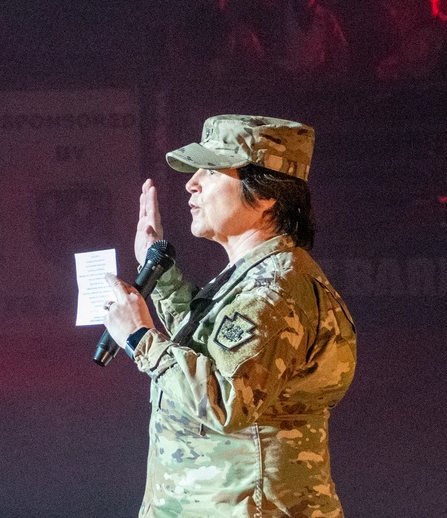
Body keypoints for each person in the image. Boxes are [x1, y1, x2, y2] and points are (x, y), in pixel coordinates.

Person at [102, 115, 358, 517]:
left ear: (266, 193)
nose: (192, 183)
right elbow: (210, 350)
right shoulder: (256, 275)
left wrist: (141, 338)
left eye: (211, 169)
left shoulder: (275, 291)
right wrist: (163, 278)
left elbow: (225, 400)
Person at [379, 0, 447, 80]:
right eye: (420, 3)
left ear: (438, 4)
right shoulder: (413, 30)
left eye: (427, 3)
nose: (423, 7)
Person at [278, 0, 349, 79]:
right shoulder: (282, 16)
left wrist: (331, 75)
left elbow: (340, 47)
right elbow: (273, 48)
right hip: (288, 80)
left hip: (317, 80)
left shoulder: (326, 17)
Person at [338, 0, 399, 81]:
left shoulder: (382, 10)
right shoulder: (343, 11)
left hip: (376, 70)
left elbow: (394, 39)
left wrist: (386, 63)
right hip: (349, 70)